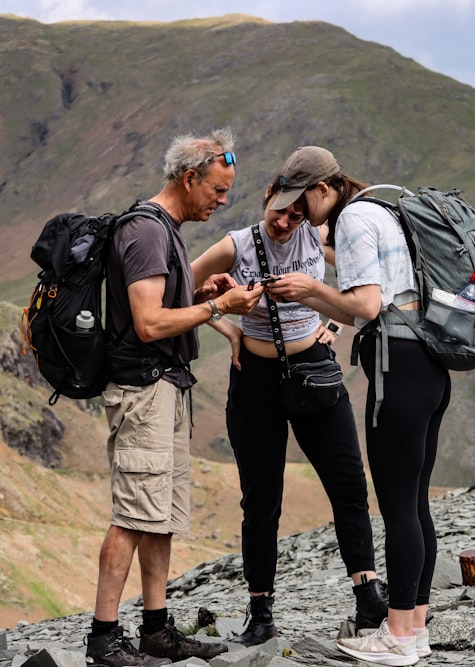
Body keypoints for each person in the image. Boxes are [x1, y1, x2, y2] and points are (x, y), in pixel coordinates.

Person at [85, 128, 265, 667]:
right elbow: (147, 322)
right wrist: (219, 308)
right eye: (216, 189)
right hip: (143, 391)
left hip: (166, 387)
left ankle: (156, 631)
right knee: (133, 513)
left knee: (159, 513)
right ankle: (103, 637)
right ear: (189, 179)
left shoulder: (165, 228)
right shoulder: (145, 231)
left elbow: (164, 299)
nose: (222, 200)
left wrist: (201, 292)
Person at [264, 146, 449, 666]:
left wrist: (310, 287)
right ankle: (414, 631)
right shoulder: (383, 211)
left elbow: (365, 306)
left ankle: (395, 637)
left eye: (303, 201)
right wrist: (309, 295)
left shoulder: (353, 219)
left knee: (396, 507)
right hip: (427, 364)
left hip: (397, 368)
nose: (300, 213)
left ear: (324, 188)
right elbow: (371, 298)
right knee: (415, 504)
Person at [190, 175, 388, 646]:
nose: (284, 221)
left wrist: (333, 328)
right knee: (261, 501)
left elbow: (361, 294)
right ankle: (260, 612)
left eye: (296, 214)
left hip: (314, 370)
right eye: (278, 210)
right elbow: (182, 288)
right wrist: (228, 325)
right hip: (254, 379)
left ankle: (369, 599)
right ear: (266, 198)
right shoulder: (234, 245)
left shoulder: (320, 236)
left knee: (348, 483)